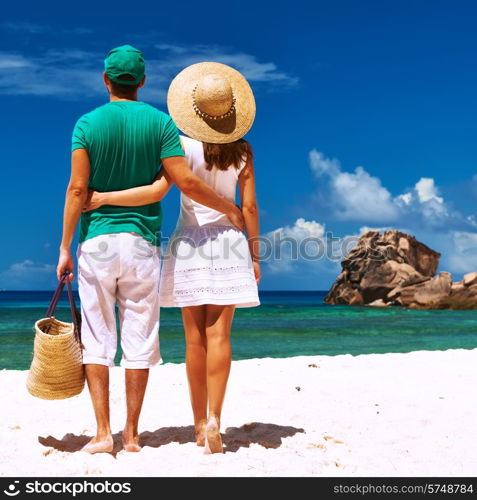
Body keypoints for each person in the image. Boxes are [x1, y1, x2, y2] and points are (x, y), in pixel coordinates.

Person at [57, 47, 244, 454]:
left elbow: (76, 189)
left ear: (105, 79)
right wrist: (231, 209)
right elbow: (179, 183)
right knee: (139, 338)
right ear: (142, 82)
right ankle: (132, 434)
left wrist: (64, 247)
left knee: (97, 336)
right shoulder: (161, 124)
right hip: (142, 243)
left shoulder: (86, 124)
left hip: (97, 242)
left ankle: (103, 433)